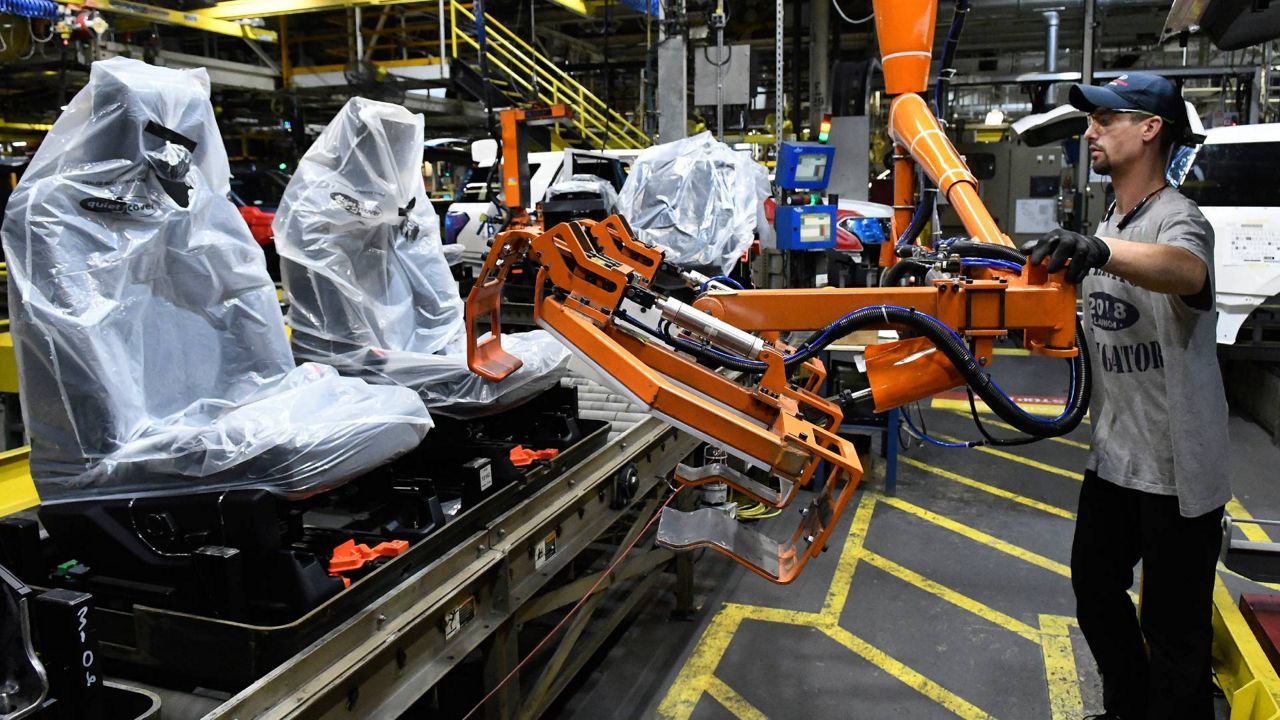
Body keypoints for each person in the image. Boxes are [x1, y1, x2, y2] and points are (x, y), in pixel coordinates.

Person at [1020, 72, 1230, 720]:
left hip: (1175, 471)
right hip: (1114, 461)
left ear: (1150, 129)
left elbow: (1186, 270)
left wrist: (1101, 250)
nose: (1091, 131)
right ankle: (1127, 709)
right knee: (1095, 593)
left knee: (1174, 632)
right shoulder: (1114, 217)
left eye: (1106, 120)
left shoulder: (1177, 219)